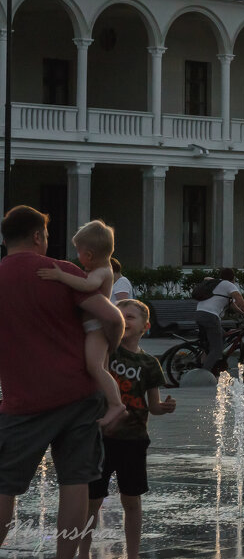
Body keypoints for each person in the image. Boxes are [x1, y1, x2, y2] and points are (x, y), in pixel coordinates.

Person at [0, 205, 125, 559]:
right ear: (38, 236)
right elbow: (110, 316)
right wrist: (109, 350)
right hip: (78, 396)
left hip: (22, 401)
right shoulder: (60, 271)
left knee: (4, 484)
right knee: (75, 481)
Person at [79, 299, 176, 559]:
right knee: (92, 501)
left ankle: (132, 554)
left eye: (130, 317)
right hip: (100, 437)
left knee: (131, 500)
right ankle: (82, 552)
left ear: (145, 326)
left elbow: (152, 405)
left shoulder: (149, 363)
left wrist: (162, 408)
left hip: (133, 440)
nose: (124, 320)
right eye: (119, 316)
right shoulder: (107, 351)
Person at [35, 220, 127, 430]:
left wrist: (60, 276)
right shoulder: (103, 268)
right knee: (100, 369)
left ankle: (116, 404)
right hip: (94, 327)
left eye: (78, 252)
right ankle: (109, 403)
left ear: (90, 254)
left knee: (94, 367)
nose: (77, 257)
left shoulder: (102, 271)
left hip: (96, 328)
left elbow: (87, 285)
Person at [194, 267, 244, 374]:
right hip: (210, 317)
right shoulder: (229, 285)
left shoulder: (217, 284)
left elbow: (232, 304)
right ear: (234, 278)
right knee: (217, 350)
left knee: (221, 336)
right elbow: (243, 303)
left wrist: (243, 314)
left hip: (199, 314)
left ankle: (206, 361)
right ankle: (204, 374)